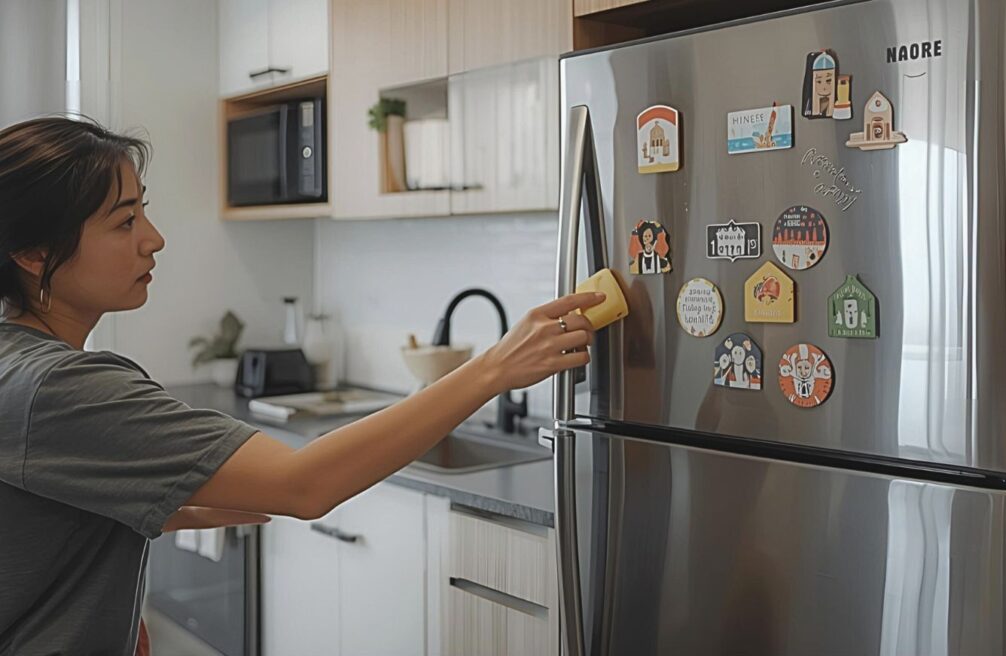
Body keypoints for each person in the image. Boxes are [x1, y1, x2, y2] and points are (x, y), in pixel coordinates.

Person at [0, 116, 602, 655]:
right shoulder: (61, 386)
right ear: (35, 253)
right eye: (125, 220)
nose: (153, 238)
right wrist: (496, 367)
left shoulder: (17, 362)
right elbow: (305, 485)